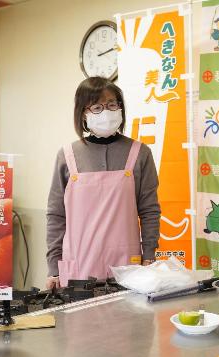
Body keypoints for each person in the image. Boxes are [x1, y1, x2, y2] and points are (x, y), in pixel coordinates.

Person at [45, 77, 160, 290]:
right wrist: (54, 267)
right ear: (83, 113)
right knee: (81, 323)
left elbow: (150, 210)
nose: (106, 112)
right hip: (79, 267)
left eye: (112, 105)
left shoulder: (140, 153)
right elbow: (56, 215)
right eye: (97, 107)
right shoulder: (67, 155)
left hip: (128, 268)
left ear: (120, 108)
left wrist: (150, 255)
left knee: (130, 322)